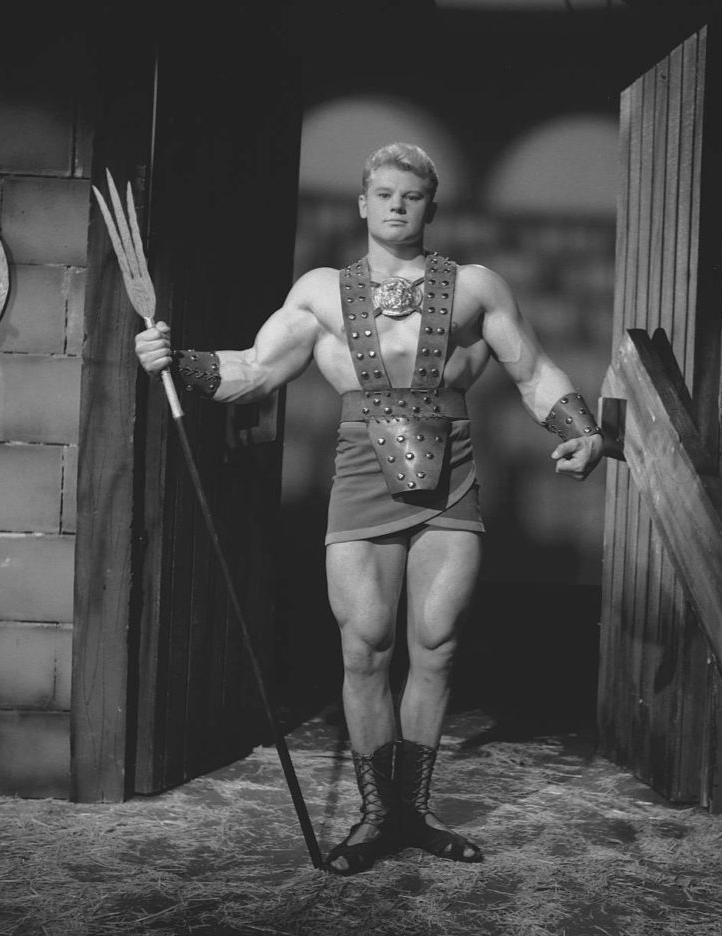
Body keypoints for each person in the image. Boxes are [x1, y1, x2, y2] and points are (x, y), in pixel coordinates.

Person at [135, 142, 604, 875]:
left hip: (451, 479)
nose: (396, 206)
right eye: (383, 193)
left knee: (437, 643)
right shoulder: (322, 292)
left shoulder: (476, 287)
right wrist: (176, 360)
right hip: (362, 480)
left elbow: (534, 369)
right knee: (366, 646)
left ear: (430, 207)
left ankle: (414, 810)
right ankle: (377, 813)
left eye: (410, 196)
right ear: (363, 203)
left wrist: (583, 431)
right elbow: (255, 370)